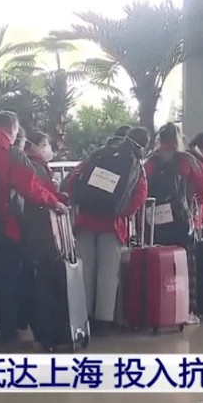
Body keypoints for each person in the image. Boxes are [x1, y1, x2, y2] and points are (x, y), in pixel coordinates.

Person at [0, 112, 67, 351]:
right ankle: (7, 334)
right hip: (4, 227)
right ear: (13, 129)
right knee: (8, 282)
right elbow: (29, 186)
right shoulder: (11, 153)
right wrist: (54, 202)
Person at [63, 127, 149, 336]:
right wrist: (123, 212)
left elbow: (73, 181)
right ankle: (103, 321)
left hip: (85, 220)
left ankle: (84, 317)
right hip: (112, 224)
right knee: (108, 274)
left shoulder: (97, 156)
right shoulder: (134, 163)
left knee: (85, 270)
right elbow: (139, 196)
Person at [145, 123, 203, 322]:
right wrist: (196, 212)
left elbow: (141, 187)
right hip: (181, 219)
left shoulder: (150, 162)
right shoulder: (187, 160)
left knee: (158, 263)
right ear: (178, 138)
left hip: (154, 220)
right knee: (186, 264)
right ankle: (188, 309)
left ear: (160, 139)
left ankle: (158, 309)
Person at [20, 131, 69, 349]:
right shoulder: (35, 166)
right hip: (40, 231)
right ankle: (49, 334)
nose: (49, 149)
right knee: (45, 282)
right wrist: (57, 201)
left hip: (33, 231)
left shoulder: (33, 164)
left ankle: (44, 333)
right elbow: (41, 193)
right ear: (35, 146)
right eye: (45, 144)